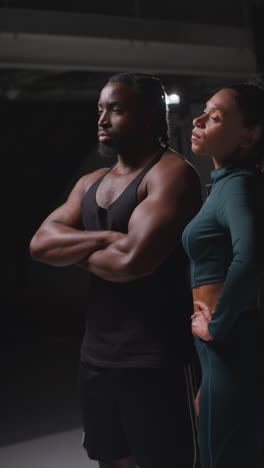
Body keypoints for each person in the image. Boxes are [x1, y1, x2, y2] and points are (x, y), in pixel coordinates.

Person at [29, 72, 203, 468]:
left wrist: (74, 246)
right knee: (111, 460)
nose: (103, 119)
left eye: (117, 109)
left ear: (149, 118)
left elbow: (133, 263)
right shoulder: (91, 182)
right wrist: (106, 238)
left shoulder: (170, 174)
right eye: (100, 109)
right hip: (96, 357)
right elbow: (40, 245)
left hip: (155, 359)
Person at [182, 74, 264, 468]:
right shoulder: (231, 183)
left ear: (248, 137)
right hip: (226, 355)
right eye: (202, 114)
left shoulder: (238, 185)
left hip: (230, 348)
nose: (197, 122)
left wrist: (217, 327)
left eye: (214, 117)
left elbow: (249, 256)